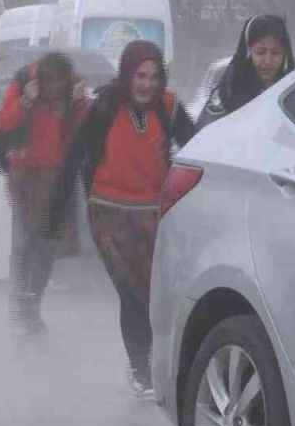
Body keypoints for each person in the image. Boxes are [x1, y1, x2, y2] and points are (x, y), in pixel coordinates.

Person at [53, 40, 196, 398]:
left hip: (154, 216)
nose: (146, 84)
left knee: (155, 292)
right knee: (131, 292)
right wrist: (56, 213)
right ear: (126, 75)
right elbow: (74, 158)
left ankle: (159, 360)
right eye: (139, 76)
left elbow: (197, 147)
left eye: (153, 76)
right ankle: (140, 367)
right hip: (108, 215)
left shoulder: (170, 108)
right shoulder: (103, 107)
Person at [0, 52, 89, 336]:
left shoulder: (74, 89)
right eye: (50, 88)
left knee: (48, 247)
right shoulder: (24, 82)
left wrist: (80, 103)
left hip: (59, 178)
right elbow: (2, 124)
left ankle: (33, 303)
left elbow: (86, 129)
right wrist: (25, 101)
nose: (54, 94)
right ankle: (19, 302)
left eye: (60, 88)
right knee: (25, 242)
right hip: (24, 176)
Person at [198, 14, 295, 128]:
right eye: (260, 52)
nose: (268, 61)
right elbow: (205, 132)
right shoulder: (228, 90)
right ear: (248, 52)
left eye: (276, 53)